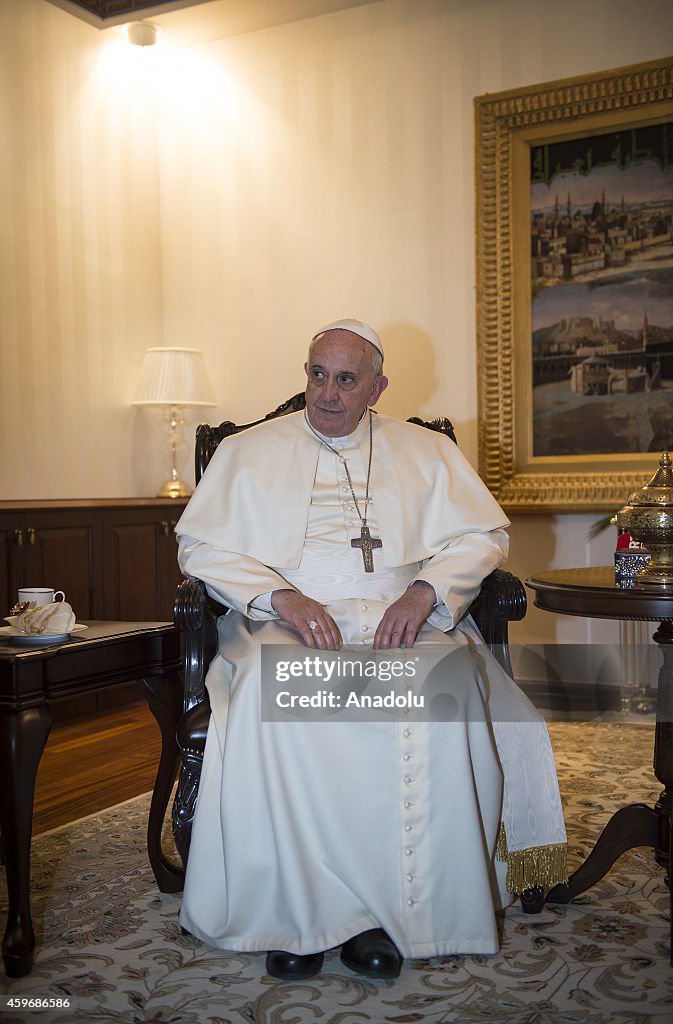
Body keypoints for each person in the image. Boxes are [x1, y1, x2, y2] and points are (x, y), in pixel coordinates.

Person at [174, 318, 566, 981]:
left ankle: (395, 916)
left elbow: (480, 537)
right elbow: (202, 547)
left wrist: (423, 592)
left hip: (402, 617)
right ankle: (297, 916)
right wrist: (280, 599)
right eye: (315, 374)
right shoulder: (248, 450)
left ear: (376, 387)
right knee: (288, 696)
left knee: (436, 693)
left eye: (345, 379)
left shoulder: (425, 451)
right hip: (288, 618)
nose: (325, 393)